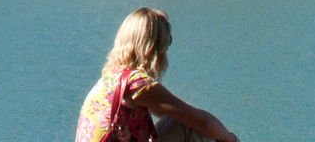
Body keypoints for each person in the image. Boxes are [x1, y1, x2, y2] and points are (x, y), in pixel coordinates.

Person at [77, 8, 238, 142]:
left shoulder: (112, 77)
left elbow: (171, 114)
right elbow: (204, 123)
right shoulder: (136, 84)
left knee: (181, 118)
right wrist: (232, 139)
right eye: (167, 42)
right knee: (187, 123)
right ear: (155, 48)